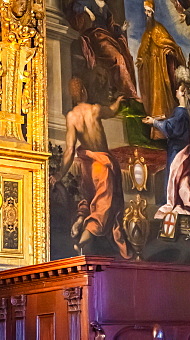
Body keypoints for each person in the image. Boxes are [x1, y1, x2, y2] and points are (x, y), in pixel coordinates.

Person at [51, 94, 131, 259]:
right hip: (102, 165)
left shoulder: (71, 117)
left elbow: (69, 150)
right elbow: (112, 111)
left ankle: (81, 219)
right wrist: (117, 101)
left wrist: (59, 174)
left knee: (88, 199)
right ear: (85, 92)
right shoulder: (94, 109)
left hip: (87, 167)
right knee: (104, 207)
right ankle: (82, 241)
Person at [146, 85, 190, 224]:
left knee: (177, 179)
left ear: (183, 94)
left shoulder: (181, 112)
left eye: (178, 90)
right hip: (180, 149)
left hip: (179, 151)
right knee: (178, 181)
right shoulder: (182, 112)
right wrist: (161, 119)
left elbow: (172, 128)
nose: (175, 91)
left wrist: (154, 122)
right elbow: (173, 124)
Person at [67, 0, 137, 100]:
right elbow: (76, 6)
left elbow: (111, 27)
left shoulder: (106, 8)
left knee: (122, 57)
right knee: (118, 58)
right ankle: (129, 92)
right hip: (95, 35)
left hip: (106, 37)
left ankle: (124, 92)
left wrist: (121, 29)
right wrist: (88, 11)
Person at [136, 0, 184, 121]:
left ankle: (163, 119)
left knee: (162, 93)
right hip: (151, 68)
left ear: (152, 12)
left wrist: (167, 51)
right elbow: (144, 50)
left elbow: (170, 45)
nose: (146, 14)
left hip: (161, 67)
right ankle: (155, 121)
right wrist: (142, 59)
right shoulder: (147, 33)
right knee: (153, 94)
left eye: (148, 11)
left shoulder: (159, 28)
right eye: (145, 11)